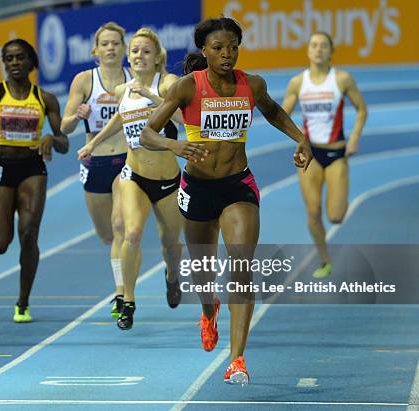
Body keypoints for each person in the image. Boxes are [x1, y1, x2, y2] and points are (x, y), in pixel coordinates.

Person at [140, 18, 312, 385]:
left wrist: (301, 138)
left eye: (233, 46)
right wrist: (176, 145)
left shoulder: (252, 84)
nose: (227, 53)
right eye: (218, 47)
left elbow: (273, 111)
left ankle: (237, 359)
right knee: (204, 275)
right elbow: (147, 133)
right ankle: (209, 308)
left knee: (241, 266)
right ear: (204, 51)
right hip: (198, 190)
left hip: (238, 186)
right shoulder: (188, 87)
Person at [79, 28, 184, 330]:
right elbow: (118, 119)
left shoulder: (168, 84)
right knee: (131, 233)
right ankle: (128, 299)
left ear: (157, 57)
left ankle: (172, 275)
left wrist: (154, 98)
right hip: (134, 174)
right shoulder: (122, 90)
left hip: (166, 180)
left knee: (171, 244)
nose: (139, 56)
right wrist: (93, 143)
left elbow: (184, 119)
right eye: (135, 51)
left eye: (146, 51)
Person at [0, 39, 69, 323]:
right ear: (4, 63)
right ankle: (22, 295)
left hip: (32, 170)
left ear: (31, 62)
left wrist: (51, 138)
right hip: (0, 169)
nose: (15, 63)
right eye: (9, 58)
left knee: (28, 233)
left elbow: (64, 143)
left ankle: (23, 301)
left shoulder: (45, 99)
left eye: (20, 58)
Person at [282, 32, 367, 279]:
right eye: (314, 45)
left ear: (331, 52)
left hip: (337, 153)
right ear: (308, 51)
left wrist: (354, 138)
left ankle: (341, 197)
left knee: (336, 216)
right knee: (313, 211)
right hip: (310, 154)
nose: (318, 50)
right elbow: (281, 116)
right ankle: (325, 260)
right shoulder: (298, 82)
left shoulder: (342, 80)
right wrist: (297, 140)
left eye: (323, 46)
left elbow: (361, 109)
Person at [61, 22, 131, 318]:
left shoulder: (133, 79)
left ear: (124, 48)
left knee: (119, 226)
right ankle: (120, 283)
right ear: (96, 50)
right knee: (106, 233)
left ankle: (120, 293)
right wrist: (77, 115)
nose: (111, 48)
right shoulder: (85, 81)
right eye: (106, 44)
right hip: (95, 163)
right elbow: (64, 127)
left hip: (127, 159)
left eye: (116, 43)